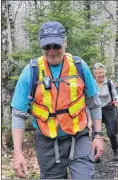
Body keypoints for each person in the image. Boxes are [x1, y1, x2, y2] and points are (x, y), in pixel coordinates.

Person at [10, 21, 104, 179]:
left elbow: (94, 104)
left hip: (78, 138)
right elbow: (18, 114)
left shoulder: (79, 66)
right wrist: (18, 152)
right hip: (47, 143)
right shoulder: (31, 72)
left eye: (56, 46)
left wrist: (98, 136)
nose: (52, 52)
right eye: (47, 47)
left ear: (65, 43)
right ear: (41, 47)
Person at [92, 62, 118, 161]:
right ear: (94, 74)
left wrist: (116, 100)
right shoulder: (92, 83)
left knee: (111, 132)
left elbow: (115, 94)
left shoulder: (109, 83)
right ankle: (96, 154)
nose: (101, 75)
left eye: (102, 72)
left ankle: (115, 150)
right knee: (95, 133)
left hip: (108, 108)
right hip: (96, 109)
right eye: (98, 73)